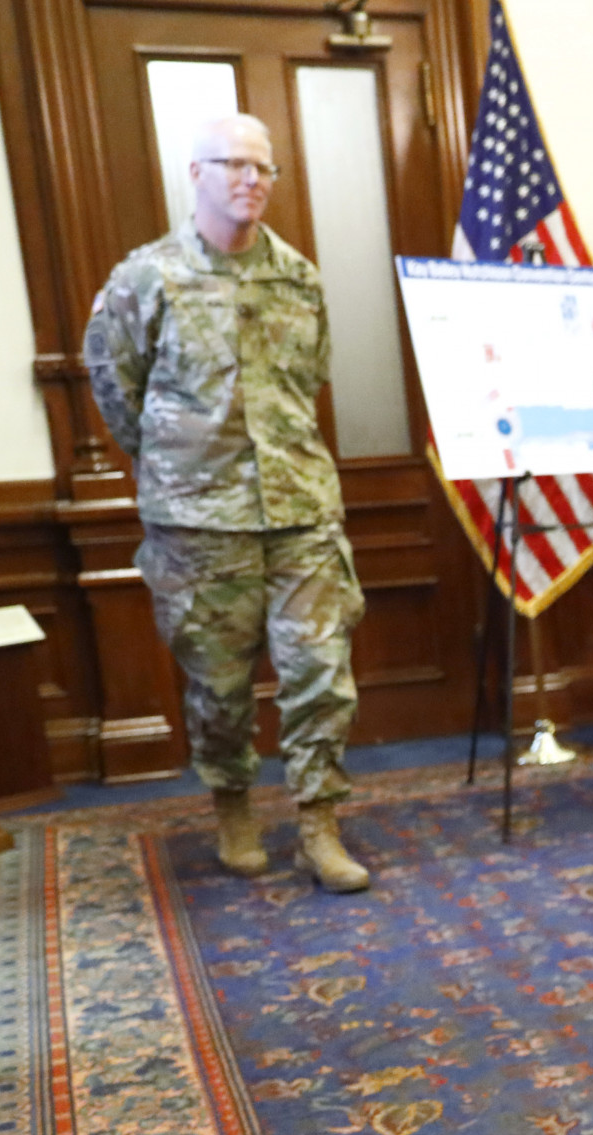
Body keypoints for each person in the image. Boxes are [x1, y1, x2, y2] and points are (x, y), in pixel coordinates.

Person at [83, 112, 370, 892]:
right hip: (199, 520)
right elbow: (117, 386)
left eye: (263, 168)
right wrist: (178, 463)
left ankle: (318, 823)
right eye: (233, 164)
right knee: (219, 682)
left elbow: (308, 379)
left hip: (300, 510)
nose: (251, 179)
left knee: (321, 669)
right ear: (197, 173)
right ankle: (233, 805)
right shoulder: (147, 278)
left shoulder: (298, 277)